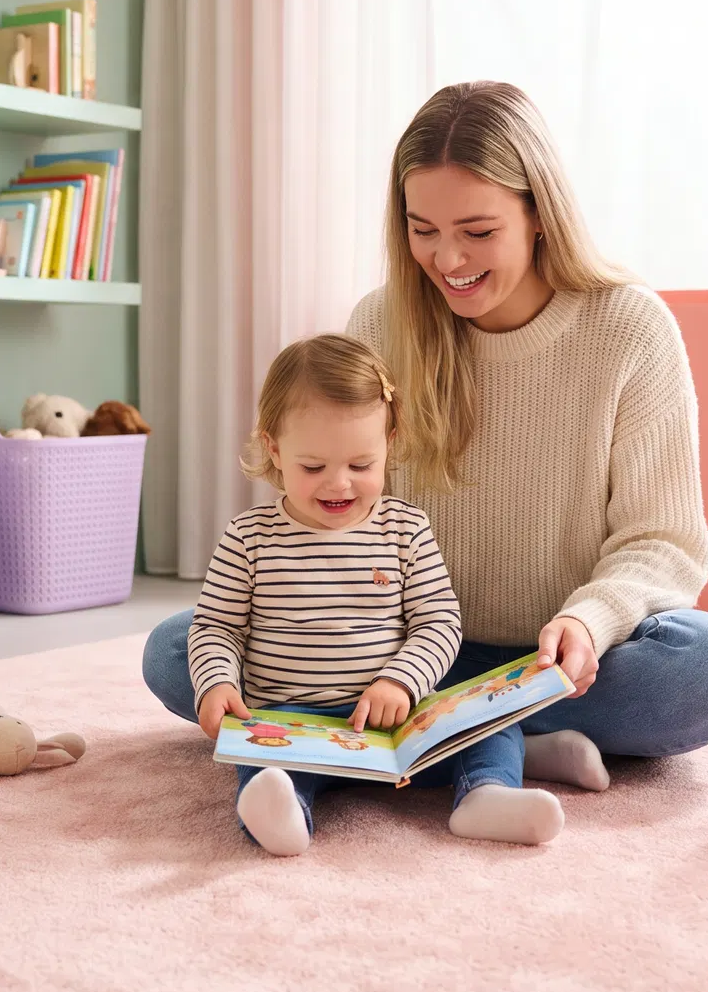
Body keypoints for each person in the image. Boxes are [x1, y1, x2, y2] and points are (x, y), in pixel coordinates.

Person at [148, 79, 708, 794]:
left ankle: (441, 735)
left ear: (539, 214)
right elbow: (341, 503)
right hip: (392, 653)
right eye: (423, 230)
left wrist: (591, 621)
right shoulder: (379, 324)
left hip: (548, 664)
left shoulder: (630, 328)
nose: (447, 261)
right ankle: (495, 742)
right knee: (176, 649)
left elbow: (664, 541)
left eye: (477, 232)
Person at [189, 332, 565, 856]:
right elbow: (216, 627)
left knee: (486, 725)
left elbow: (438, 622)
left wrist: (400, 681)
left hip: (395, 721)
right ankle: (283, 816)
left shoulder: (405, 529)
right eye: (313, 467)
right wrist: (216, 683)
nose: (339, 484)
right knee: (263, 766)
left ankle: (486, 796)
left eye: (361, 465)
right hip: (292, 724)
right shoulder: (249, 537)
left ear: (389, 441)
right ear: (274, 448)